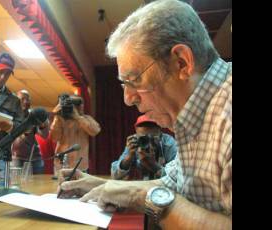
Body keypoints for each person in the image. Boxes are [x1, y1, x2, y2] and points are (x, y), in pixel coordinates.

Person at [57, 0, 232, 229]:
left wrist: (140, 198)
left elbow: (160, 197)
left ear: (182, 63)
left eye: (135, 80)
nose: (128, 99)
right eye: (124, 85)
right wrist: (100, 185)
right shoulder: (193, 114)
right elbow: (170, 185)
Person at [111, 115, 177, 180]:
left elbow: (177, 177)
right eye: (144, 139)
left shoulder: (168, 143)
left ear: (160, 132)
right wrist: (129, 157)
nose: (149, 142)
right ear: (136, 133)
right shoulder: (134, 142)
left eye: (153, 138)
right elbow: (115, 175)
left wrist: (153, 165)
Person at [50, 94, 101, 174]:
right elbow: (54, 138)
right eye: (75, 103)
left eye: (81, 103)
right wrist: (57, 116)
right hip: (62, 164)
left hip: (80, 166)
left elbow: (95, 131)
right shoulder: (60, 120)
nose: (80, 106)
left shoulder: (86, 118)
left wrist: (77, 117)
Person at [11, 90, 49, 174]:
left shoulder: (33, 115)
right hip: (16, 158)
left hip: (34, 158)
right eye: (22, 99)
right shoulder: (11, 115)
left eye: (28, 99)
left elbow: (45, 135)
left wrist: (43, 122)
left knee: (37, 185)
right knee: (17, 184)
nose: (25, 101)